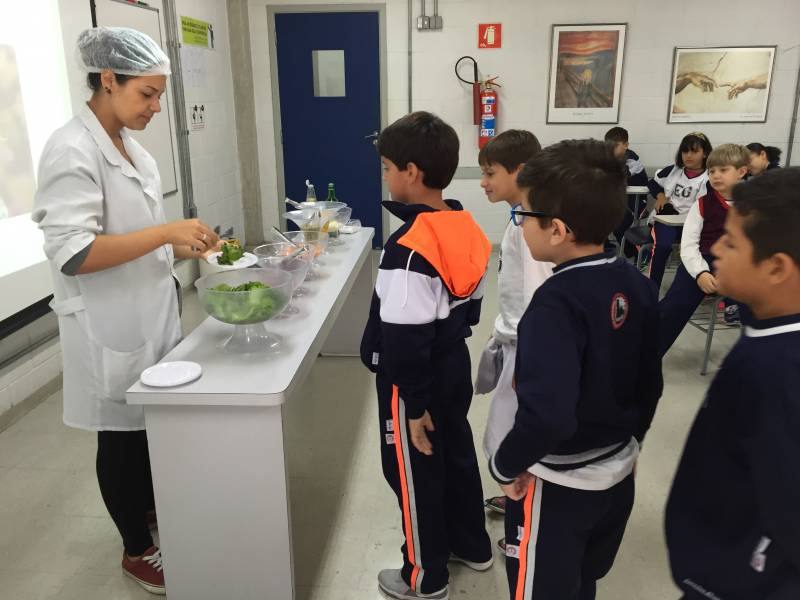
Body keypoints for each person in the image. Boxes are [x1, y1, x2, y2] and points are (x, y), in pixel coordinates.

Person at [32, 27, 219, 595]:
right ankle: (136, 548)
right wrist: (165, 232)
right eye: (147, 93)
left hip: (149, 313)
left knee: (146, 431)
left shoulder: (133, 150)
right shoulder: (72, 149)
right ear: (108, 80)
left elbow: (132, 237)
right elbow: (75, 253)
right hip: (107, 324)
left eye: (160, 95)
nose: (156, 107)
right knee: (118, 437)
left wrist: (182, 247)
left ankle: (151, 513)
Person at [488, 140, 663, 600]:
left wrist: (505, 464)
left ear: (558, 230)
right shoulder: (637, 284)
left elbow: (547, 415)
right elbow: (651, 382)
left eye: (524, 215)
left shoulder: (553, 305)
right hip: (617, 473)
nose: (519, 224)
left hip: (557, 487)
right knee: (583, 581)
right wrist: (631, 443)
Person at [359, 111, 493, 600]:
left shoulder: (408, 249)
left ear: (411, 172)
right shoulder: (467, 228)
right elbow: (472, 309)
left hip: (411, 380)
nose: (386, 177)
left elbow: (403, 337)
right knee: (455, 453)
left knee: (413, 473)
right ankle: (472, 545)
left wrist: (414, 404)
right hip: (452, 362)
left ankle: (424, 575)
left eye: (388, 168)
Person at [665, 167, 800, 600]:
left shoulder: (778, 369)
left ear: (777, 268)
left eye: (731, 241)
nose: (716, 248)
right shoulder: (764, 333)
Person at [474, 130, 553, 542]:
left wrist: (528, 353)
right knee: (507, 432)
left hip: (529, 349)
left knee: (519, 435)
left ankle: (526, 517)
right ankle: (519, 497)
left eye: (490, 173)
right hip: (517, 342)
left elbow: (540, 297)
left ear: (520, 171)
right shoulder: (520, 217)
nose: (483, 182)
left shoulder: (532, 225)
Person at [657, 144, 750, 356]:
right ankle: (646, 357)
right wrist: (700, 273)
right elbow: (688, 246)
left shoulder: (753, 206)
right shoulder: (702, 204)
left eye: (723, 170)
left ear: (742, 171)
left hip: (739, 267)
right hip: (702, 262)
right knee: (672, 309)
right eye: (711, 171)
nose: (715, 175)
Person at [647, 132, 713, 291]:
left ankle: (694, 289)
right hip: (666, 220)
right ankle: (651, 290)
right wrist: (660, 195)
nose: (688, 155)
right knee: (662, 246)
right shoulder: (673, 170)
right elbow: (652, 183)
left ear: (704, 153)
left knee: (700, 250)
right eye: (685, 151)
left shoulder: (710, 177)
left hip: (693, 224)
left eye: (694, 151)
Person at [604, 126, 649, 254]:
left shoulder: (632, 159)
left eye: (615, 146)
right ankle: (606, 248)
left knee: (618, 225)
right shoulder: (608, 158)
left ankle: (639, 255)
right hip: (618, 201)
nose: (610, 149)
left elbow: (618, 177)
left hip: (636, 203)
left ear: (626, 145)